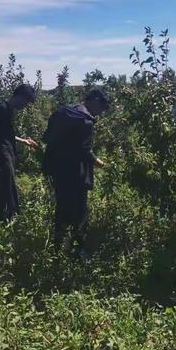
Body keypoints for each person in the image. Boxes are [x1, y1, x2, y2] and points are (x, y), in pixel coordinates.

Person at [42, 89, 109, 258]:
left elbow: (47, 137)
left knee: (62, 207)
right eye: (101, 107)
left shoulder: (65, 111)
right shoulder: (85, 121)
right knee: (80, 211)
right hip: (76, 173)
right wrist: (97, 161)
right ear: (94, 101)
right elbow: (83, 150)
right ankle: (79, 252)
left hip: (57, 169)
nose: (100, 112)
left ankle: (57, 248)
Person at [0, 84, 38, 224]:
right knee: (8, 183)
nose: (25, 105)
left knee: (3, 185)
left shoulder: (9, 110)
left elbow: (6, 133)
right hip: (0, 153)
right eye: (26, 101)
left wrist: (24, 141)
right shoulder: (0, 109)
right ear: (19, 96)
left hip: (8, 151)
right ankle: (13, 216)